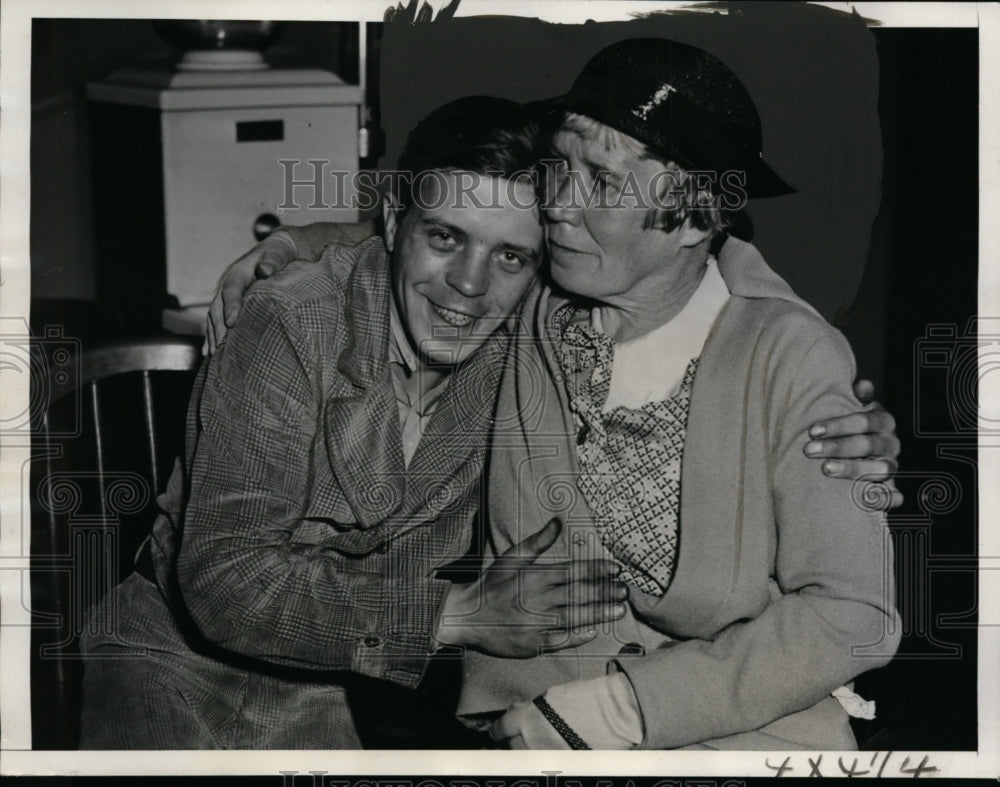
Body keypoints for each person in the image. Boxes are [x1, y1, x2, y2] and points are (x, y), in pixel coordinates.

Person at [212, 39, 902, 751]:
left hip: (744, 726)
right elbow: (439, 228)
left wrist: (617, 709)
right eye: (558, 167)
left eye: (602, 182)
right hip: (523, 724)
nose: (558, 208)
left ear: (696, 218)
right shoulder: (532, 298)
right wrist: (292, 243)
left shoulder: (789, 356)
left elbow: (855, 611)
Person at [78, 97, 629, 749]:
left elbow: (673, 263)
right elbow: (227, 581)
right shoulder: (289, 321)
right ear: (396, 222)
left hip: (331, 680)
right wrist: (459, 614)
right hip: (171, 656)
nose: (469, 285)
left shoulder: (525, 341)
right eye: (445, 237)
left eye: (510, 256)